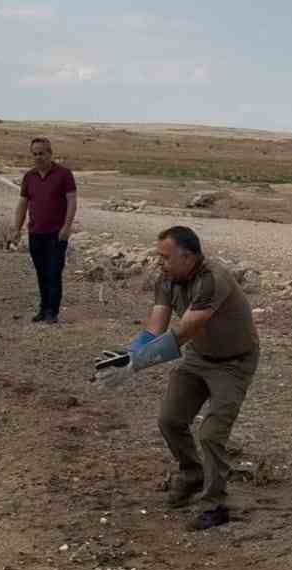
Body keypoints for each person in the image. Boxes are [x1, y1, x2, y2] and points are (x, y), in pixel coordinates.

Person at [94, 226, 260, 531]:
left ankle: (215, 505)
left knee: (211, 434)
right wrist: (128, 355)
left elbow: (184, 332)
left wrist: (136, 365)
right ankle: (192, 475)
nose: (160, 263)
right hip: (199, 356)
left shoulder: (212, 280)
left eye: (165, 257)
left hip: (233, 363)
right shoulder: (168, 279)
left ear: (188, 257)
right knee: (170, 419)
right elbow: (154, 329)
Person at [10, 137, 77, 324]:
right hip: (35, 233)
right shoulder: (29, 177)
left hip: (57, 233)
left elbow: (72, 201)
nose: (38, 157)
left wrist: (67, 226)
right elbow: (23, 204)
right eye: (35, 154)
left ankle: (52, 312)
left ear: (50, 153)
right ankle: (43, 308)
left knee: (54, 271)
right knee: (41, 272)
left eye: (41, 153)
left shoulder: (64, 174)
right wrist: (17, 228)